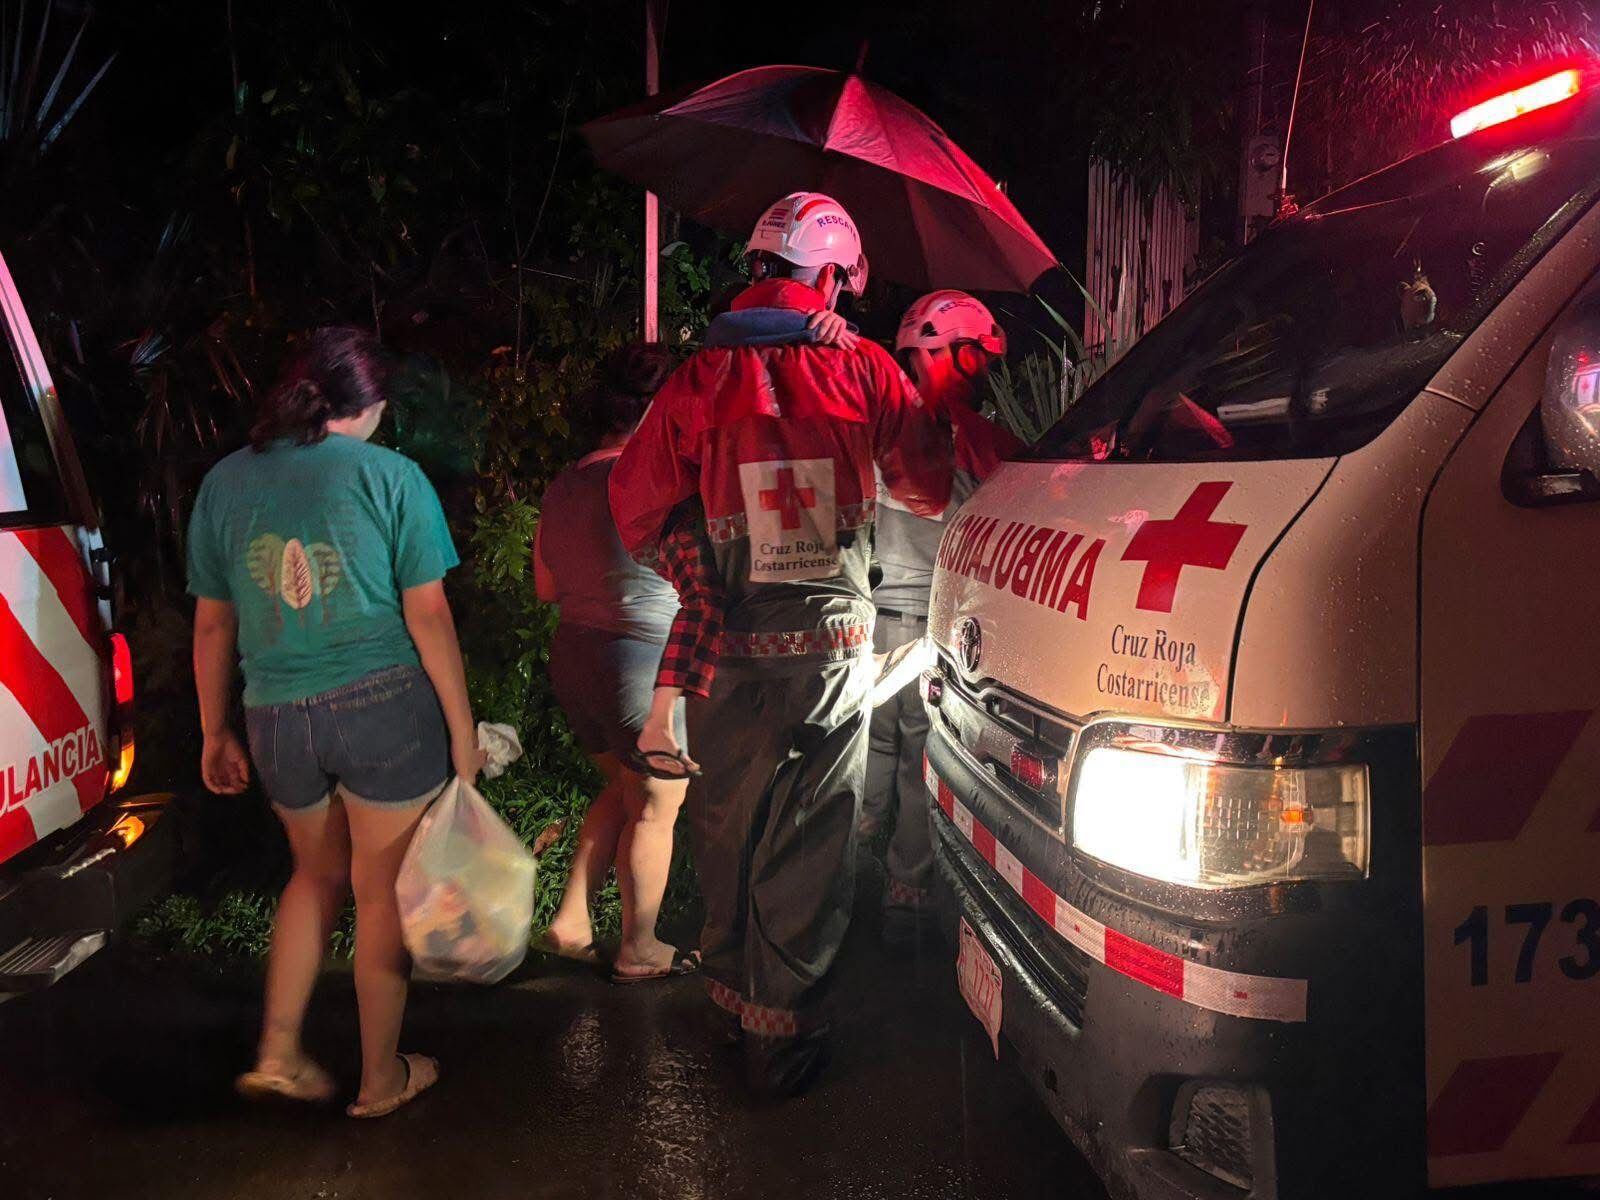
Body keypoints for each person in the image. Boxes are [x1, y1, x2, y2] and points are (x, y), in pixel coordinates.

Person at [612, 191, 954, 1098]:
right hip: (831, 646)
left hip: (728, 646)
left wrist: (698, 569)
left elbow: (635, 507)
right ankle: (782, 1036)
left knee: (728, 819)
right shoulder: (867, 370)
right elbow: (927, 489)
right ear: (833, 274)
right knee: (811, 828)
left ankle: (730, 1008)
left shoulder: (694, 381)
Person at [188, 325, 483, 1118]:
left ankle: (279, 1053)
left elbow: (214, 624)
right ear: (372, 404)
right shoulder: (392, 477)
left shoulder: (224, 483)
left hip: (275, 717)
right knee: (380, 894)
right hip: (381, 707)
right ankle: (380, 1079)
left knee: (312, 878)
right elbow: (428, 616)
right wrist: (462, 729)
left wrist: (215, 731)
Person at [534, 343, 702, 983]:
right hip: (646, 666)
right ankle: (640, 948)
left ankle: (571, 920)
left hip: (575, 658)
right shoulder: (660, 480)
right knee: (657, 808)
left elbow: (546, 588)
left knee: (623, 788)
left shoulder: (563, 484)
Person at [866, 291, 1021, 947]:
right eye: (977, 358)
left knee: (865, 764)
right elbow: (1032, 483)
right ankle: (904, 900)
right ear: (955, 354)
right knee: (917, 763)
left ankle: (831, 894)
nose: (982, 373)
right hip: (936, 633)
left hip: (866, 626)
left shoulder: (865, 420)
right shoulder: (962, 432)